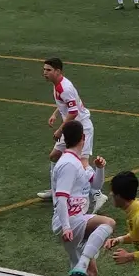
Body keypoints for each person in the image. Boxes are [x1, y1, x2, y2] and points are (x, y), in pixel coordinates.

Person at [38, 58, 107, 213]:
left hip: (81, 129)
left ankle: (97, 195)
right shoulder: (58, 85)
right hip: (71, 127)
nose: (45, 73)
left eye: (48, 70)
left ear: (58, 71)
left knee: (83, 163)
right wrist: (55, 114)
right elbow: (68, 104)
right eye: (44, 70)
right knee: (54, 156)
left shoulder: (65, 87)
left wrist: (60, 130)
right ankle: (55, 190)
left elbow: (74, 111)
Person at [51, 120, 116, 276]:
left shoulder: (77, 162)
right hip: (70, 222)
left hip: (75, 220)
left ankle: (83, 261)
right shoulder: (68, 164)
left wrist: (100, 168)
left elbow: (96, 185)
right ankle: (84, 258)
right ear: (84, 137)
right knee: (108, 223)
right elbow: (61, 197)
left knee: (91, 273)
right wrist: (66, 227)